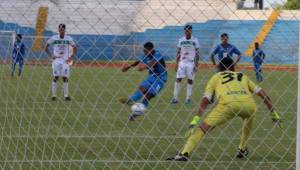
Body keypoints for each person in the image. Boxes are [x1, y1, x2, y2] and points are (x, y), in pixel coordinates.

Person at [167, 57, 281, 161]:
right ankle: (242, 149)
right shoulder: (242, 76)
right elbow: (262, 94)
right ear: (233, 67)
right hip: (249, 105)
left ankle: (184, 153)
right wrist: (273, 112)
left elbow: (206, 99)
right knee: (249, 119)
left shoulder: (216, 77)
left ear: (219, 68)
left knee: (203, 128)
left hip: (228, 104)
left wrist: (195, 119)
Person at [118, 42, 168, 121]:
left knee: (148, 95)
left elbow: (152, 63)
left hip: (161, 78)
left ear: (151, 49)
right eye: (144, 50)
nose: (144, 52)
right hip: (152, 76)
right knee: (142, 88)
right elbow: (138, 61)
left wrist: (143, 67)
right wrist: (128, 67)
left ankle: (136, 113)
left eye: (145, 51)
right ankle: (130, 100)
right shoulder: (146, 55)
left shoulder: (157, 54)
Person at [45, 24, 77, 101]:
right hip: (56, 60)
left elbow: (75, 47)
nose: (61, 31)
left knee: (65, 77)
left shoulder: (68, 38)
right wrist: (51, 55)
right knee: (56, 77)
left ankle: (66, 96)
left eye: (62, 29)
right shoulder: (54, 38)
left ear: (64, 30)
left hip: (65, 61)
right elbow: (46, 47)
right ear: (58, 30)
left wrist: (71, 57)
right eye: (60, 30)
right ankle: (54, 96)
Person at [171, 25, 200, 104]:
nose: (187, 32)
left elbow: (197, 54)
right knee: (178, 79)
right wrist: (176, 64)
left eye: (189, 30)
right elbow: (178, 52)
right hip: (182, 63)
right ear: (184, 31)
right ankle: (175, 98)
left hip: (191, 63)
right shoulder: (181, 40)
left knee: (190, 80)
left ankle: (188, 98)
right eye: (186, 30)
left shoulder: (195, 40)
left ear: (191, 31)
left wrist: (196, 65)